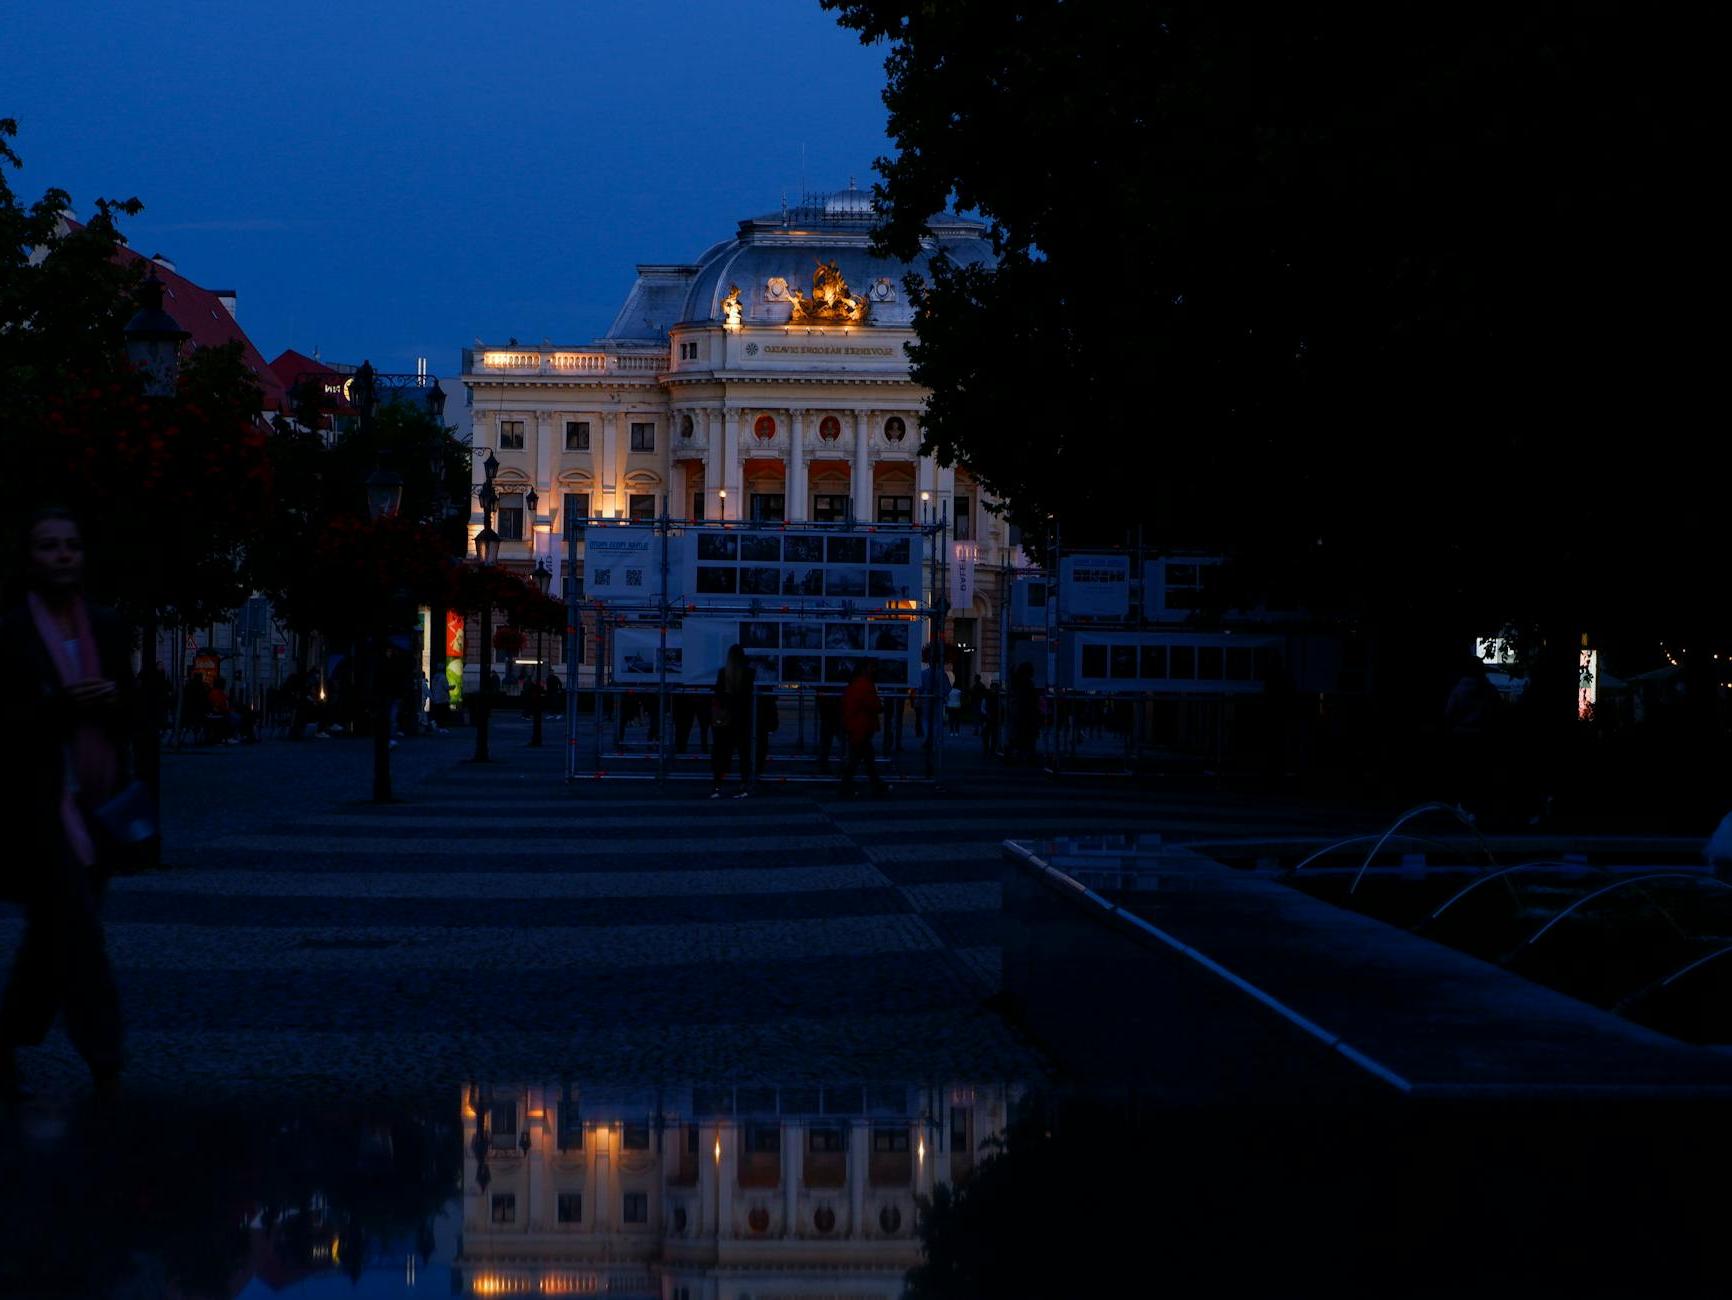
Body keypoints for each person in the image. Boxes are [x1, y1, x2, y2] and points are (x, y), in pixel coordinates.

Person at [1, 509, 133, 1101]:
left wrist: (112, 699)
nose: (61, 556)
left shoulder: (105, 626)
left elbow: (135, 706)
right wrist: (59, 704)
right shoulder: (10, 633)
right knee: (78, 931)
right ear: (29, 558)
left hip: (97, 795)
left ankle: (12, 1030)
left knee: (51, 932)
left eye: (70, 546)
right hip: (36, 800)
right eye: (48, 546)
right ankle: (106, 1057)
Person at [710, 645, 755, 797]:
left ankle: (718, 783)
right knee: (744, 752)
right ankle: (743, 782)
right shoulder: (749, 673)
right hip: (743, 717)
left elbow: (718, 694)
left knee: (722, 752)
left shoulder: (723, 673)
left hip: (726, 718)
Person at [840, 660, 888, 796]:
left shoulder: (856, 684)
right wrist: (879, 705)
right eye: (872, 668)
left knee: (863, 759)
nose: (875, 671)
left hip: (856, 726)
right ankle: (848, 787)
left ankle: (875, 785)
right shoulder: (865, 685)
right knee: (859, 760)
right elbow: (874, 705)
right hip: (861, 727)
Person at [429, 666, 451, 733]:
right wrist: (452, 687)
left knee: (438, 713)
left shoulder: (434, 678)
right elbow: (446, 687)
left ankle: (438, 726)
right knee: (443, 714)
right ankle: (442, 727)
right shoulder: (443, 677)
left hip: (436, 698)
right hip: (443, 698)